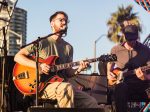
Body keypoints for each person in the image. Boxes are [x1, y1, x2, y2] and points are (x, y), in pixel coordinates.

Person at [14, 11, 99, 108]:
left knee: (91, 102)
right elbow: (18, 56)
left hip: (62, 85)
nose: (64, 22)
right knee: (67, 88)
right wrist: (39, 66)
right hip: (42, 86)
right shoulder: (42, 42)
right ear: (52, 23)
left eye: (66, 21)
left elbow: (67, 72)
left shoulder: (68, 47)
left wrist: (79, 69)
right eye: (61, 20)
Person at [107, 25, 150, 112]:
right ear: (124, 36)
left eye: (133, 39)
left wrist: (145, 77)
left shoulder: (146, 50)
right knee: (120, 88)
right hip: (124, 85)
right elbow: (110, 63)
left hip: (141, 84)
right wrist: (109, 73)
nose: (131, 42)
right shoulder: (115, 50)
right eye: (129, 39)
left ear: (137, 37)